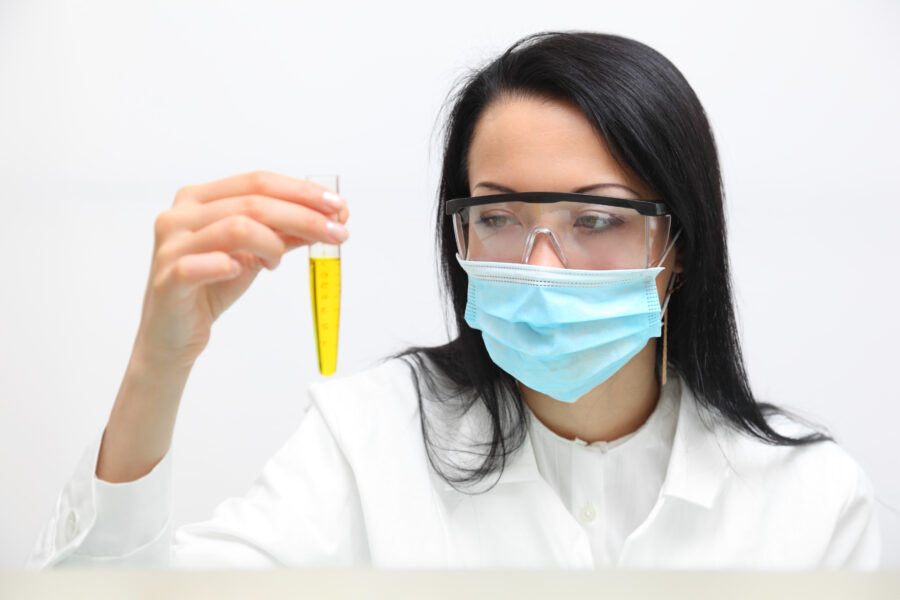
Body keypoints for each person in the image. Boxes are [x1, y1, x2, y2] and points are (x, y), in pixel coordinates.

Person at [29, 31, 879, 569]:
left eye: (593, 217)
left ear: (680, 247)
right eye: (500, 215)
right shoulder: (365, 445)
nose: (540, 263)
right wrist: (158, 362)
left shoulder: (807, 501)